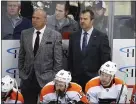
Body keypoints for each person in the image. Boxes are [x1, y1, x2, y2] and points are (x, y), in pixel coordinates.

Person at [18, 8, 63, 104]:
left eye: (38, 18)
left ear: (45, 20)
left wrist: (53, 78)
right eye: (33, 17)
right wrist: (22, 73)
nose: (34, 20)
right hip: (27, 79)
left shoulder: (55, 35)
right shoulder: (25, 34)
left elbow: (58, 61)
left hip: (47, 79)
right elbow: (21, 56)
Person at [68, 9, 111, 91]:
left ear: (92, 21)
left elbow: (105, 60)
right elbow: (70, 59)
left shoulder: (101, 37)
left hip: (94, 81)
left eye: (85, 19)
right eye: (81, 19)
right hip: (76, 81)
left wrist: (103, 78)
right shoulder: (74, 36)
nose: (82, 21)